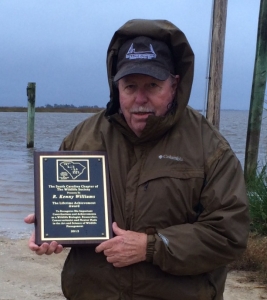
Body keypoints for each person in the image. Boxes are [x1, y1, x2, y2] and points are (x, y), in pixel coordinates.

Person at [25, 19, 249, 300]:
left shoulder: (210, 147)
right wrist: (49, 224)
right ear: (116, 86)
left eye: (153, 86)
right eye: (130, 87)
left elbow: (229, 234)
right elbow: (71, 211)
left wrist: (152, 247)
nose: (140, 99)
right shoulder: (82, 138)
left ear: (174, 84)